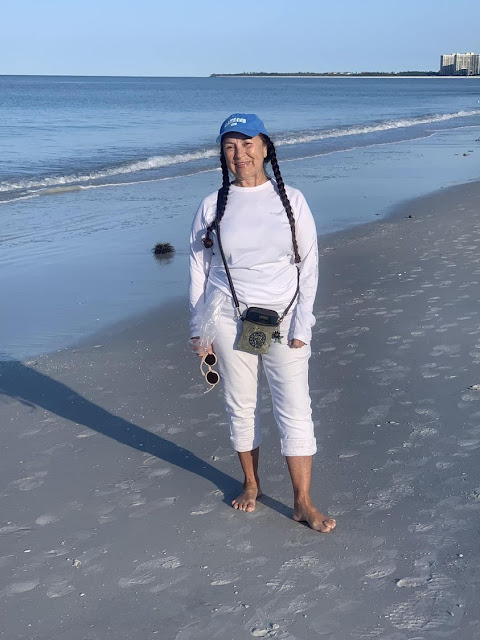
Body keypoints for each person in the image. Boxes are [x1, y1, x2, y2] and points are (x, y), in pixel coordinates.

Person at [189, 113, 336, 533]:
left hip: (284, 319)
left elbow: (309, 266)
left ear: (266, 148)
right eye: (230, 146)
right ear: (222, 153)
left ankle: (302, 501)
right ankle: (251, 483)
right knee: (240, 404)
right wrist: (198, 327)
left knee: (295, 407)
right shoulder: (211, 205)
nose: (240, 154)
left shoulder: (292, 200)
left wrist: (303, 323)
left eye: (248, 143)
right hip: (226, 317)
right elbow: (199, 269)